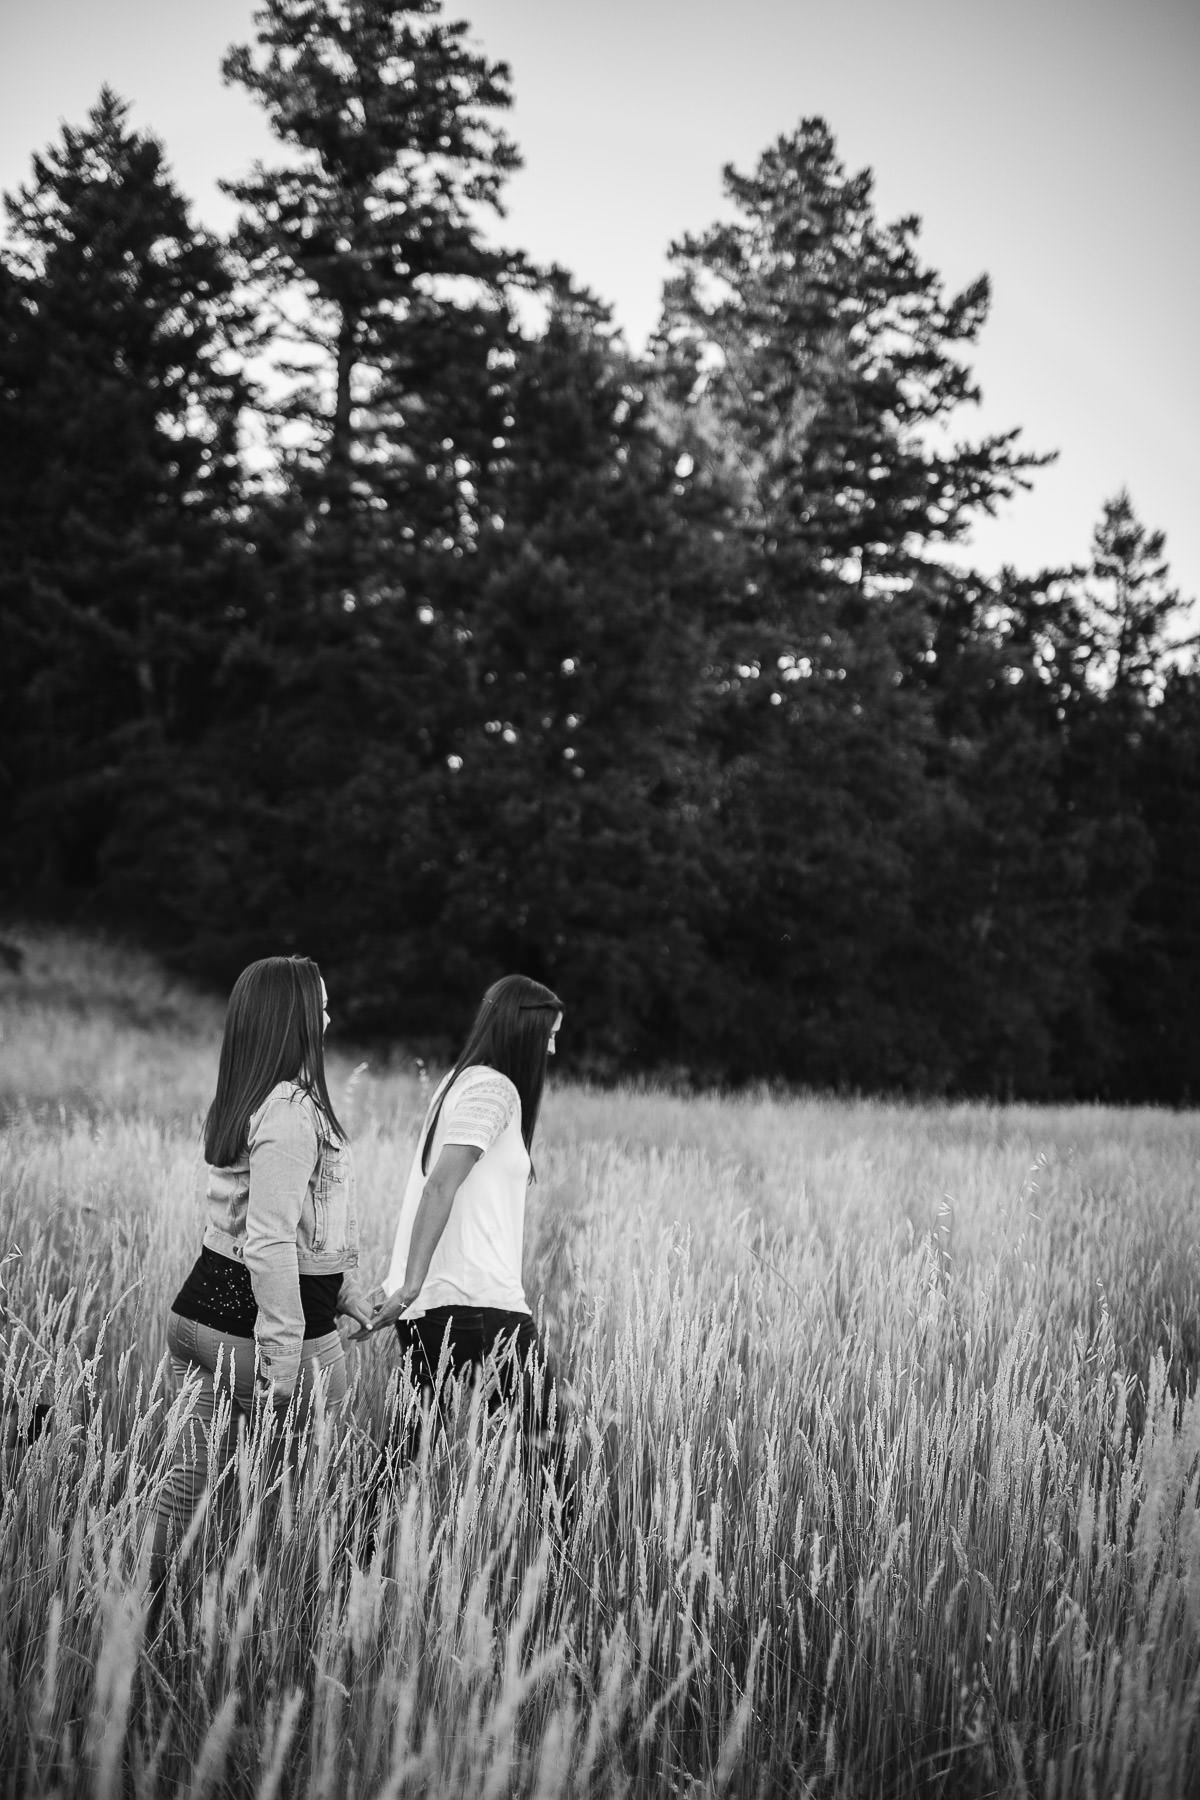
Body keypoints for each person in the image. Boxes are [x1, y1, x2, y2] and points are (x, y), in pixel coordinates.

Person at [148, 955, 371, 1608]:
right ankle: (283, 1631)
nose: (329, 1017)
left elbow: (288, 1227)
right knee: (306, 1502)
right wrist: (283, 1358)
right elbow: (271, 1240)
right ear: (292, 1018)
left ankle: (139, 1620)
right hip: (260, 1334)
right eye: (319, 1006)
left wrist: (346, 1293)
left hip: (199, 1321)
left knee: (184, 1490)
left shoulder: (245, 1096)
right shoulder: (293, 1110)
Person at [365, 975, 570, 1504]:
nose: (552, 1049)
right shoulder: (493, 1090)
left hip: (440, 1307)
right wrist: (409, 1284)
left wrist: (404, 1286)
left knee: (403, 1456)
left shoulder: (458, 1084)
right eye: (548, 1035)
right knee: (549, 1455)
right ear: (522, 1030)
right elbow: (439, 1185)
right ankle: (561, 1558)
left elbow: (427, 1187)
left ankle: (349, 1552)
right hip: (479, 1306)